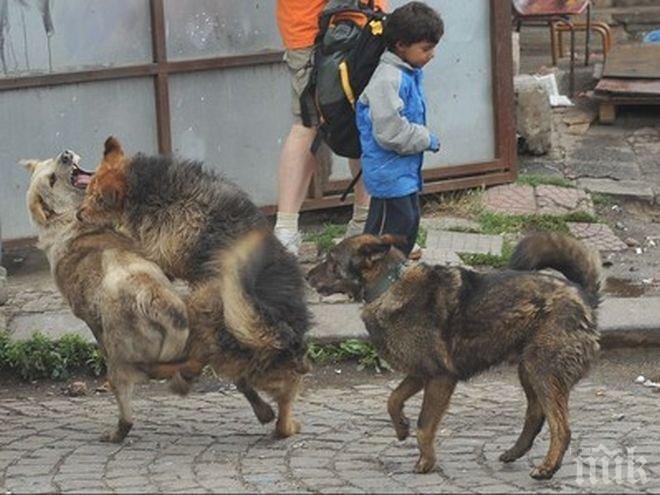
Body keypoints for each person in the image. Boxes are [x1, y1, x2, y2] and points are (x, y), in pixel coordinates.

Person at [274, 0, 387, 255]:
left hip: (368, 22)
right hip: (312, 29)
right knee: (308, 124)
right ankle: (285, 229)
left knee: (364, 120)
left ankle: (364, 223)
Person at [356, 1, 443, 258]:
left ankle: (394, 268)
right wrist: (426, 138)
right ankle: (365, 274)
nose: (432, 55)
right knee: (385, 231)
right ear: (401, 45)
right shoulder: (387, 79)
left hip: (402, 171)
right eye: (426, 49)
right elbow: (390, 132)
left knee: (408, 222)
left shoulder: (408, 72)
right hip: (387, 173)